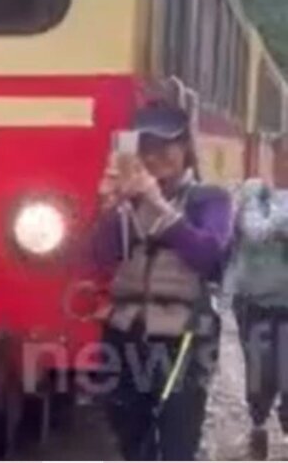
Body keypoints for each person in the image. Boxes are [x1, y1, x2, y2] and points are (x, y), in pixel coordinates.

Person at [89, 100, 234, 460]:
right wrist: (109, 208)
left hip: (184, 337)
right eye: (146, 147)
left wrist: (156, 204)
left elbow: (209, 256)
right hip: (124, 333)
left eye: (165, 145)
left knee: (177, 440)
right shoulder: (127, 200)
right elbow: (99, 257)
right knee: (129, 439)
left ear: (185, 147)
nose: (154, 156)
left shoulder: (210, 199)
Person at [228, 177, 288, 460]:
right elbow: (254, 231)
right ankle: (258, 423)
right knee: (261, 370)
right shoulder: (255, 192)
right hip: (254, 301)